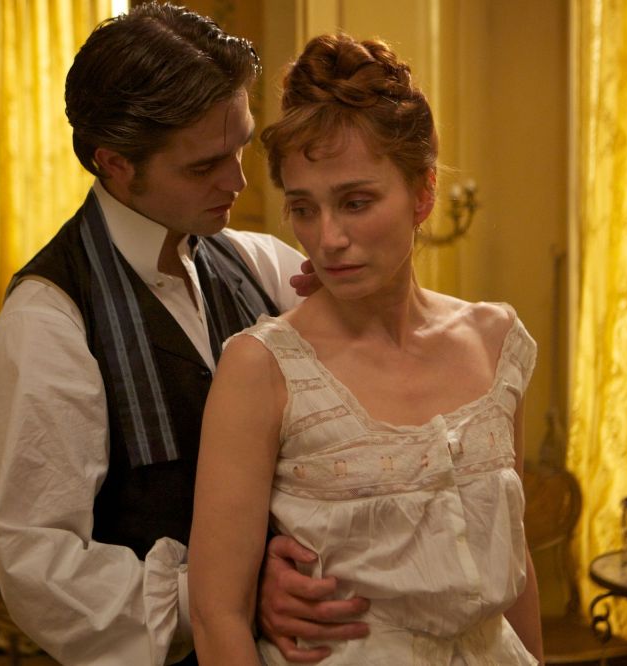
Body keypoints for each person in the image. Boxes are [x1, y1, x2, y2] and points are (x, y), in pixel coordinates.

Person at [0, 5, 369, 665]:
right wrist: (222, 595)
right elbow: (41, 570)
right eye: (203, 165)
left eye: (241, 146)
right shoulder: (47, 328)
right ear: (116, 164)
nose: (238, 181)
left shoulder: (259, 265)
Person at [189, 33, 545, 665]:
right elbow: (218, 618)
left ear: (423, 193)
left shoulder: (495, 343)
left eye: (356, 202)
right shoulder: (261, 367)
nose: (328, 238)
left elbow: (513, 567)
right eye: (304, 208)